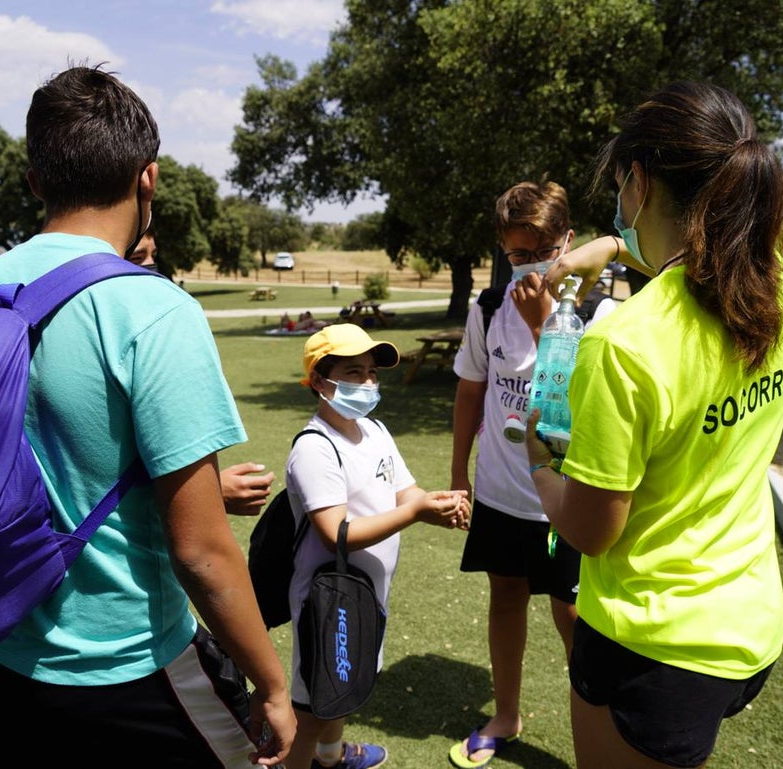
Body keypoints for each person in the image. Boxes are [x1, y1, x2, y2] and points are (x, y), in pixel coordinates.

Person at [0, 65, 294, 768]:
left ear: (36, 181)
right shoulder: (152, 309)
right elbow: (200, 551)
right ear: (148, 179)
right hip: (125, 665)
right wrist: (274, 684)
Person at [527, 82, 783, 768]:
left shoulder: (624, 344)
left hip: (650, 643)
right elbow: (700, 263)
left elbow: (591, 532)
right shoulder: (775, 287)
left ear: (640, 183)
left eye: (621, 185)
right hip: (746, 623)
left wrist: (538, 462)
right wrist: (613, 249)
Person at [447, 180, 615, 769]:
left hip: (566, 498)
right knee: (505, 598)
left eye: (542, 251)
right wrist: (459, 473)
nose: (531, 265)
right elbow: (471, 391)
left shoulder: (601, 315)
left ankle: (599, 736)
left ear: (568, 241)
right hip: (501, 492)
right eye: (517, 254)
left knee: (573, 616)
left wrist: (546, 322)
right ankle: (506, 714)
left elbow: (582, 401)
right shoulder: (489, 308)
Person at [283, 324, 470, 769]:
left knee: (345, 681)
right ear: (318, 381)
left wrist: (436, 503)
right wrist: (416, 512)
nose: (367, 382)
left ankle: (331, 757)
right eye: (353, 372)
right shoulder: (316, 448)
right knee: (312, 705)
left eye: (371, 372)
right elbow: (337, 532)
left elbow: (405, 492)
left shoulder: (375, 431)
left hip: (366, 592)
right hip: (327, 598)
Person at [127, 226, 276, 515]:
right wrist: (212, 491)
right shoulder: (167, 321)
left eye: (154, 255)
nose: (151, 267)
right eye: (137, 258)